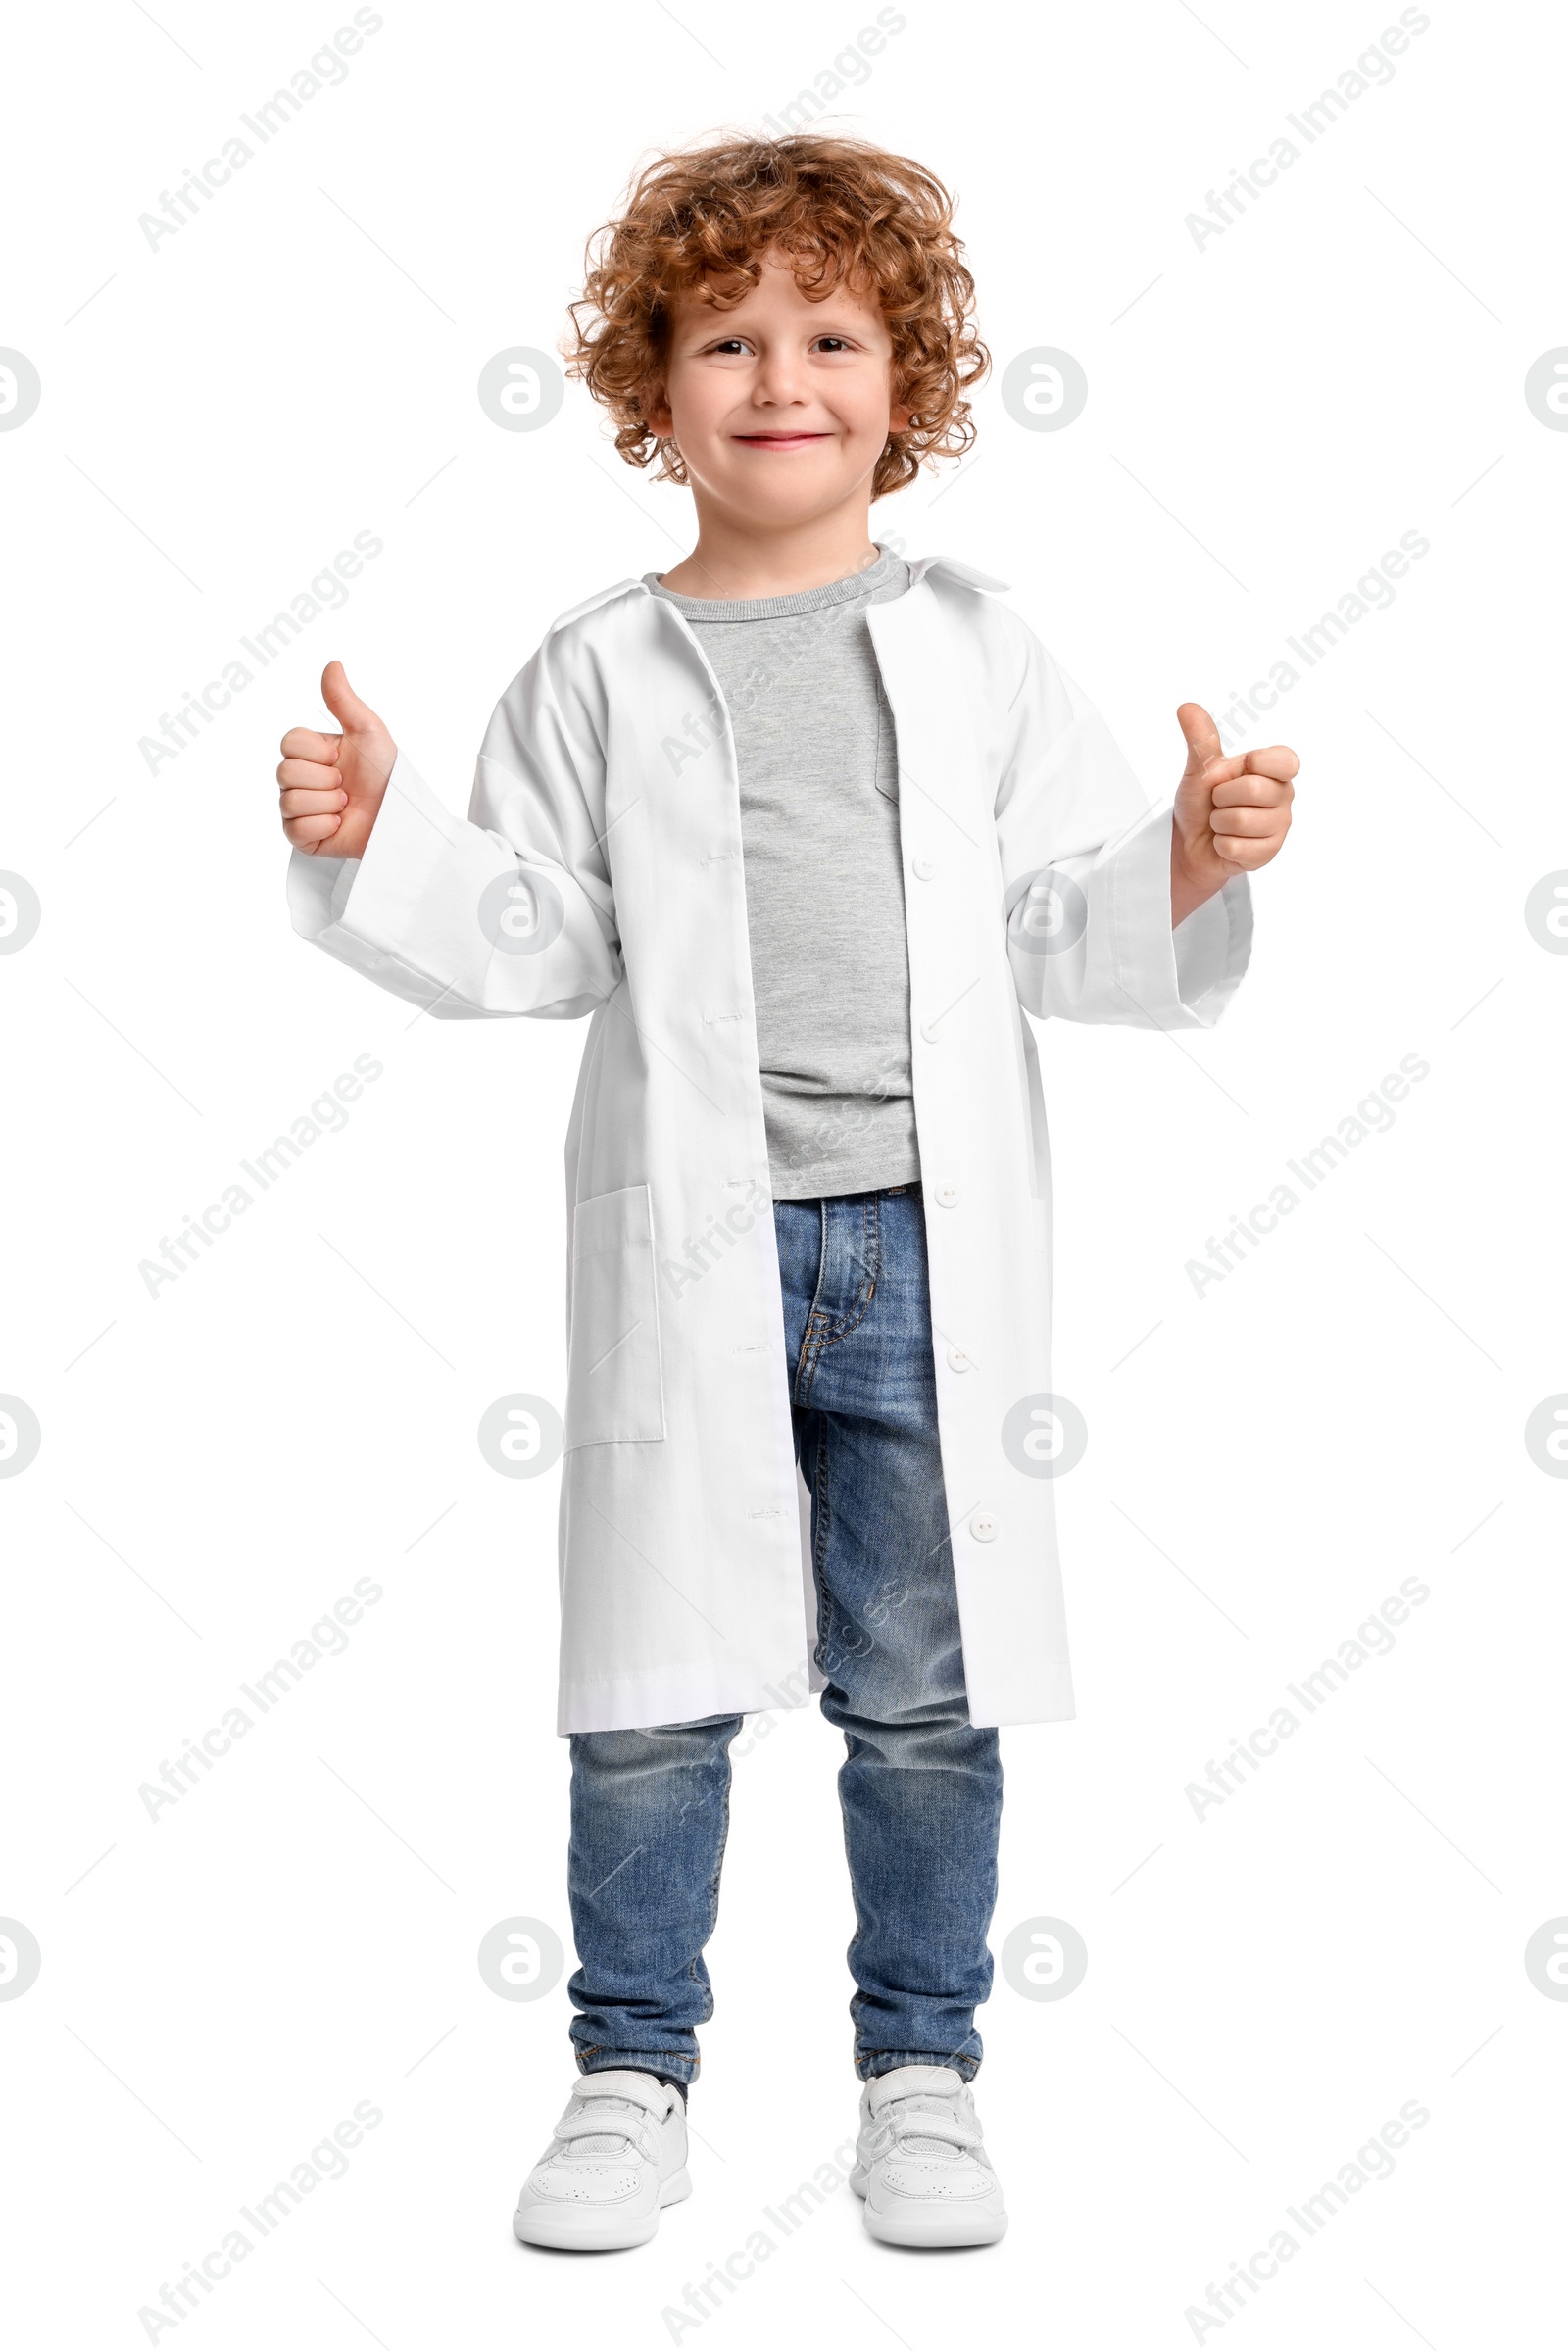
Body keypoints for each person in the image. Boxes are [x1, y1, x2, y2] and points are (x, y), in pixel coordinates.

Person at [275, 133, 1296, 2252]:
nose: (778, 378)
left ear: (904, 387)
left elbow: (1059, 912)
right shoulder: (595, 664)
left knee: (920, 1686)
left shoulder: (976, 649)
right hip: (694, 1244)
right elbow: (536, 940)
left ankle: (919, 2073)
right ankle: (627, 2071)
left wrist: (1189, 853)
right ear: (647, 391)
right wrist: (386, 832)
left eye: (830, 336)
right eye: (722, 339)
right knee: (648, 1688)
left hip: (923, 1240)